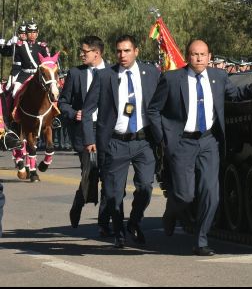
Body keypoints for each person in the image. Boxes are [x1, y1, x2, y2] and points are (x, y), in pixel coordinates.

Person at [148, 39, 252, 256]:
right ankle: (171, 211)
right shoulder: (172, 79)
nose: (199, 58)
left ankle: (201, 240)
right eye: (194, 54)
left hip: (208, 141)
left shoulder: (218, 77)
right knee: (185, 195)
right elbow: (153, 110)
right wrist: (164, 139)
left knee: (211, 193)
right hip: (182, 143)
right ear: (188, 56)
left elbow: (234, 96)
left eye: (203, 54)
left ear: (209, 56)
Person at [81, 35, 162, 248]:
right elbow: (88, 110)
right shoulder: (105, 76)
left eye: (127, 51)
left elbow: (162, 103)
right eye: (119, 51)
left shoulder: (151, 73)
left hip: (143, 141)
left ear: (136, 51)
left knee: (145, 186)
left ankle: (134, 222)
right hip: (115, 142)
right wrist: (90, 139)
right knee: (114, 192)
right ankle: (118, 232)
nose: (122, 55)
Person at [60, 36, 118, 237]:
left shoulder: (113, 72)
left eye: (85, 51)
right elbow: (63, 102)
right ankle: (80, 200)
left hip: (108, 131)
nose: (81, 54)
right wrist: (73, 112)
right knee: (92, 172)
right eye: (81, 51)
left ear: (97, 53)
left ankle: (103, 222)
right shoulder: (76, 73)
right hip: (85, 132)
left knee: (108, 175)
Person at [10, 20, 51, 97]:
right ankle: (13, 109)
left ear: (37, 33)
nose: (32, 34)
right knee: (14, 93)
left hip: (39, 76)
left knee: (51, 93)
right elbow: (17, 65)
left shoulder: (42, 47)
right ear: (26, 33)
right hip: (24, 76)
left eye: (34, 32)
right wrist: (14, 78)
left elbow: (47, 65)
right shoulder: (20, 47)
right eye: (30, 32)